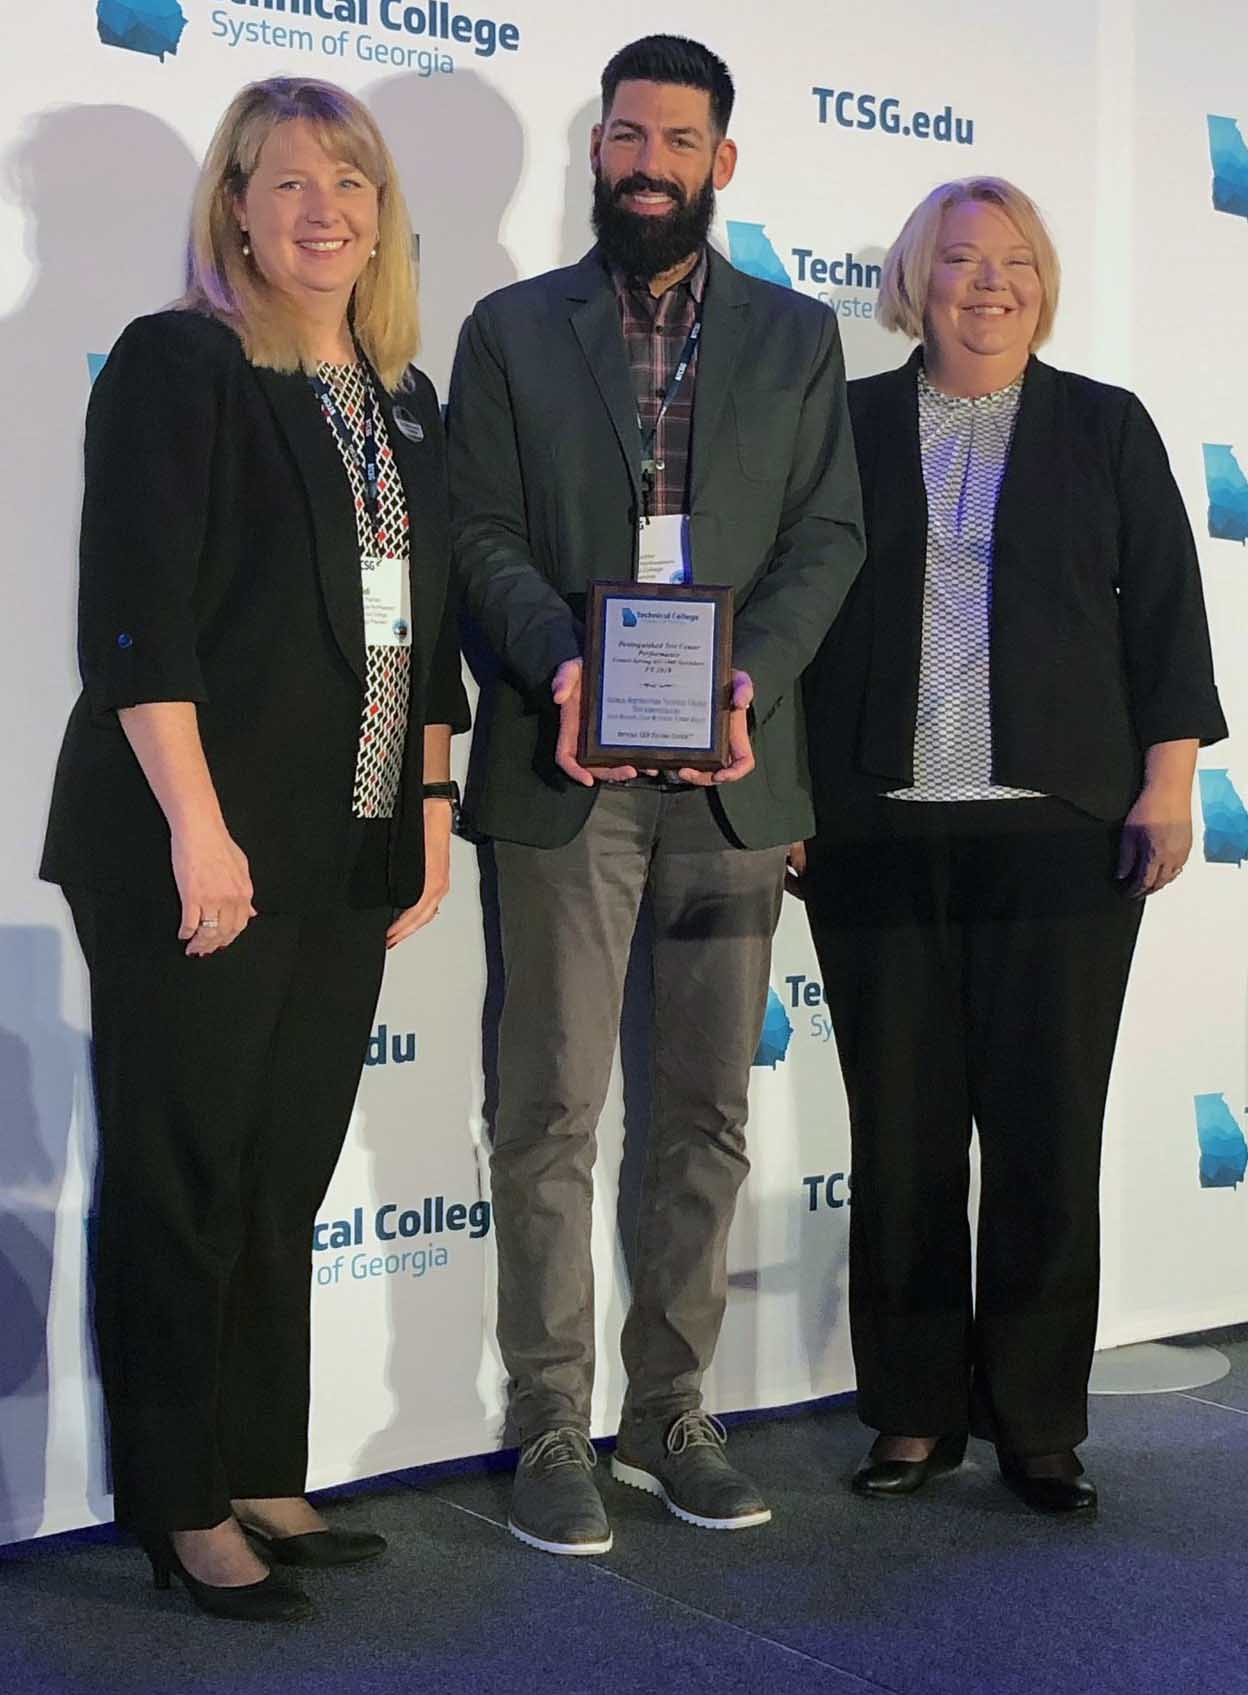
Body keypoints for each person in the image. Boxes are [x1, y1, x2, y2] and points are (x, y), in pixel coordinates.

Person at [40, 77, 469, 1618]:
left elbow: (428, 641)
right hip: (193, 845)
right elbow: (137, 615)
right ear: (235, 203)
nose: (326, 213)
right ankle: (176, 1501)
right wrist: (200, 835)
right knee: (181, 1173)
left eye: (352, 185)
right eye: (290, 184)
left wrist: (429, 816)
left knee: (278, 1171)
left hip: (346, 848)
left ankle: (258, 1463)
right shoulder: (182, 362)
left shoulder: (397, 390)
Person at [447, 34, 863, 1556]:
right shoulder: (508, 330)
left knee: (702, 1116)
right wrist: (564, 666)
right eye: (626, 135)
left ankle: (669, 1409)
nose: (647, 163)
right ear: (598, 150)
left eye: (677, 141)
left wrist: (749, 681)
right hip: (568, 773)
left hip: (734, 782)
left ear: (721, 165)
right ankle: (551, 1424)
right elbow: (478, 531)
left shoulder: (796, 335)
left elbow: (828, 538)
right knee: (550, 1108)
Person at [796, 177, 1227, 1515]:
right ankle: (915, 1414)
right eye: (962, 261)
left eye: (1015, 264)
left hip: (1063, 835)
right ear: (914, 280)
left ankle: (1039, 1420)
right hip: (872, 831)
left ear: (1043, 284)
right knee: (905, 1133)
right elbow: (792, 618)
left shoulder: (1105, 425)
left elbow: (1164, 612)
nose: (989, 285)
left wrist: (1170, 783)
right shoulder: (844, 423)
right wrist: (786, 800)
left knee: (1047, 1134)